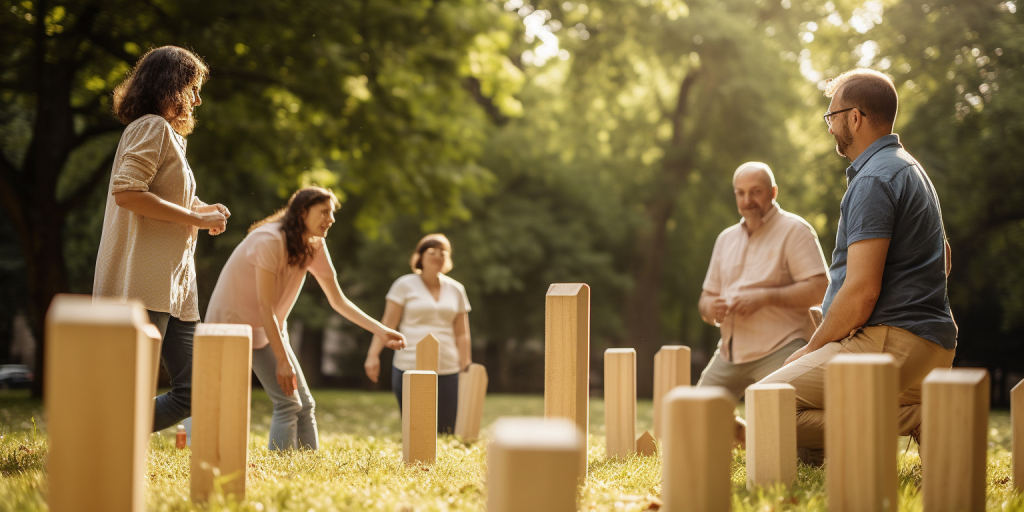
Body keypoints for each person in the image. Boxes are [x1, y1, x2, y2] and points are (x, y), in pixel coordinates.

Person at [756, 68, 957, 463]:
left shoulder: (873, 179)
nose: (830, 127)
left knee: (766, 402)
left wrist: (812, 349)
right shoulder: (911, 169)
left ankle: (922, 414)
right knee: (797, 419)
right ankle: (917, 412)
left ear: (854, 117)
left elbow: (863, 291)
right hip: (933, 348)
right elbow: (944, 257)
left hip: (889, 346)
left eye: (832, 117)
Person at [205, 187, 406, 450]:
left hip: (270, 327)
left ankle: (308, 468)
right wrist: (281, 360)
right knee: (286, 403)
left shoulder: (313, 244)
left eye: (331, 213)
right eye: (324, 212)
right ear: (302, 212)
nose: (330, 219)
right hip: (233, 327)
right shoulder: (269, 240)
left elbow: (338, 300)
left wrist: (380, 331)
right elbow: (265, 306)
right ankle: (281, 469)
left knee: (305, 404)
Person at [93, 46, 229, 432]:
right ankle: (100, 444)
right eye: (193, 87)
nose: (197, 99)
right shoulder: (151, 127)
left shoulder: (168, 136)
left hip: (176, 288)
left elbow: (166, 197)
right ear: (171, 85)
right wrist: (194, 218)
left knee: (194, 391)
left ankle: (105, 435)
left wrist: (201, 210)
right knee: (126, 385)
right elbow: (128, 192)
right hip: (142, 281)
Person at [697, 162, 830, 402]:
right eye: (741, 193)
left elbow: (821, 290)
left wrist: (765, 297)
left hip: (781, 348)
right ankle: (743, 436)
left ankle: (755, 435)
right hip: (729, 354)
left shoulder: (795, 230)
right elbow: (705, 300)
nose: (747, 200)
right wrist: (711, 309)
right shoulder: (725, 239)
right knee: (694, 418)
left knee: (775, 424)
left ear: (773, 192)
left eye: (755, 191)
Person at [364, 234, 473, 434]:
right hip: (409, 363)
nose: (438, 256)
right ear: (420, 256)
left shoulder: (457, 289)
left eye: (443, 252)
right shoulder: (404, 285)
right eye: (432, 252)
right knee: (416, 427)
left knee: (446, 429)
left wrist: (466, 366)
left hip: (448, 365)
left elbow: (462, 334)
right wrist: (373, 355)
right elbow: (388, 323)